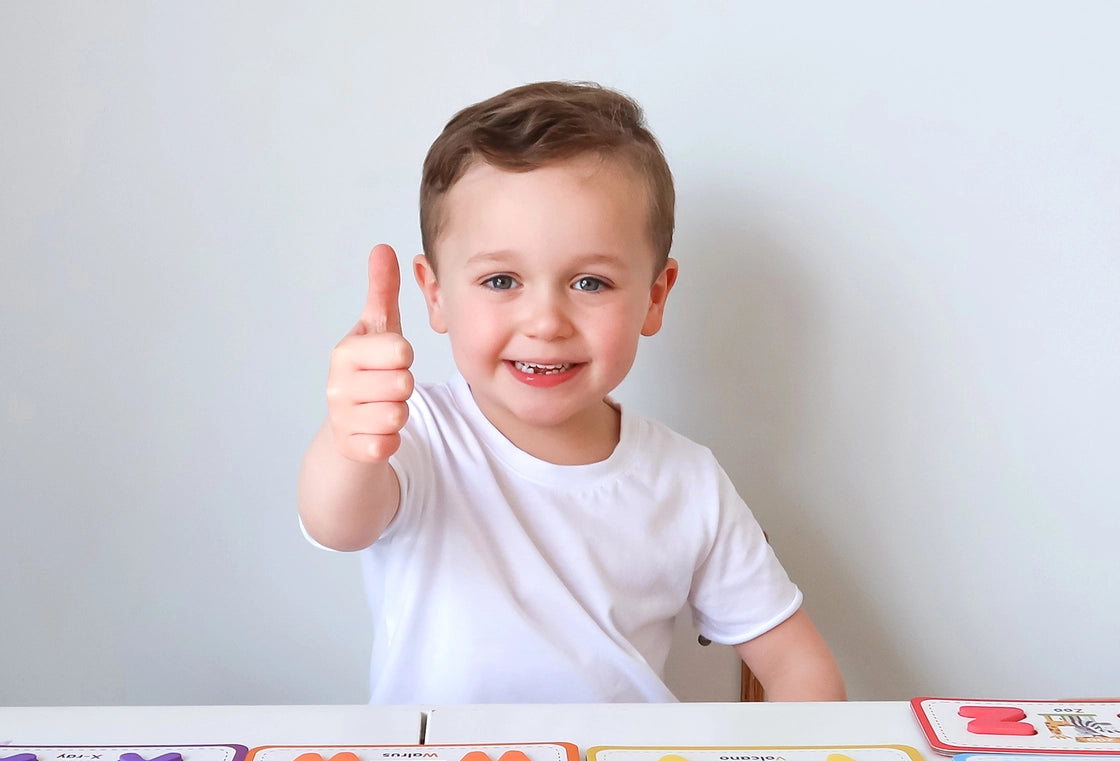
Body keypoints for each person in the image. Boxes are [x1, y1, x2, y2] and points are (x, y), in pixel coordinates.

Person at [299, 81, 845, 705]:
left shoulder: (688, 480)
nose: (545, 322)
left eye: (590, 283)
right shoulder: (414, 432)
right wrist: (351, 442)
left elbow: (800, 667)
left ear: (655, 297)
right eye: (501, 280)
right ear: (436, 294)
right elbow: (337, 523)